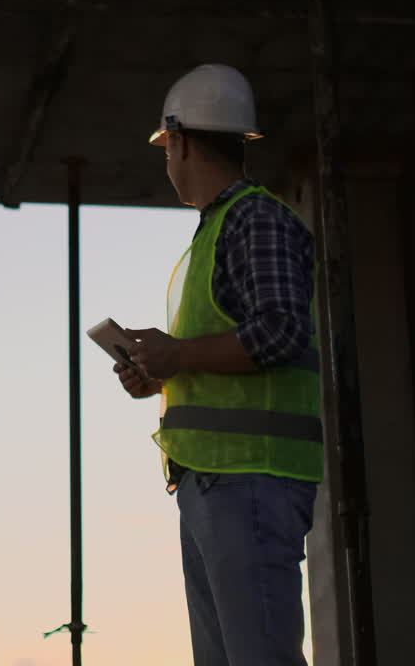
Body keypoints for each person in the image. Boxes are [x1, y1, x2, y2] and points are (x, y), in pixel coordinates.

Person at [114, 64, 323, 666]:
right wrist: (161, 370)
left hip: (249, 481)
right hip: (216, 483)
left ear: (179, 140)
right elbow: (229, 346)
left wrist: (178, 354)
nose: (167, 160)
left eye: (166, 147)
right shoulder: (219, 230)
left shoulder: (255, 219)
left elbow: (282, 331)